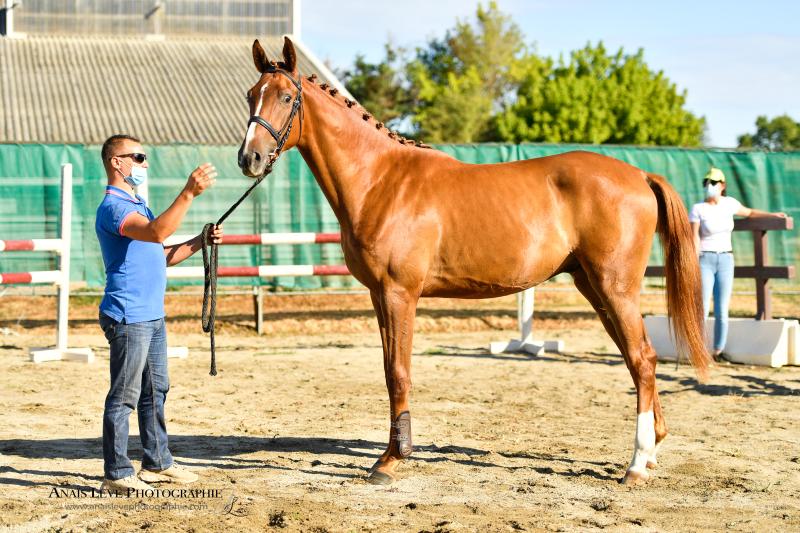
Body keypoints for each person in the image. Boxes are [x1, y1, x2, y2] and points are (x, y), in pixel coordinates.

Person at [96, 134, 223, 493]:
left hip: (151, 315)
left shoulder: (137, 204)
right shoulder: (114, 208)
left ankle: (157, 463)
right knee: (124, 396)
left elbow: (160, 253)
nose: (144, 163)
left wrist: (199, 241)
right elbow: (157, 233)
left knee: (156, 391)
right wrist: (188, 193)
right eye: (138, 157)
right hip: (128, 316)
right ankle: (116, 474)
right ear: (117, 162)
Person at [689, 167, 786, 361]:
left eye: (713, 182)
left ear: (722, 185)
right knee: (702, 307)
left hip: (726, 259)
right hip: (705, 259)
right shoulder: (698, 208)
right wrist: (693, 259)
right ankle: (698, 350)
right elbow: (694, 237)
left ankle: (718, 350)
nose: (709, 186)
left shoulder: (729, 204)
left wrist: (772, 215)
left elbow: (750, 213)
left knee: (722, 308)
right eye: (706, 182)